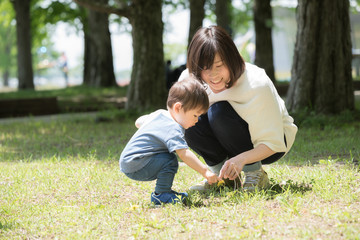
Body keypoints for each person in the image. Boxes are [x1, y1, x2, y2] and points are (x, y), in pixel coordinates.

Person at [178, 26, 298, 192]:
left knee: (218, 112)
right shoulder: (189, 82)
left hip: (273, 143)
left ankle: (255, 174)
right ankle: (223, 179)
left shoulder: (256, 83)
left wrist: (242, 159)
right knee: (188, 119)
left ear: (232, 59)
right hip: (227, 136)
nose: (213, 75)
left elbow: (274, 143)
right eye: (205, 68)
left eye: (219, 65)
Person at [119, 77, 221, 205]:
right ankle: (161, 194)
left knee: (166, 157)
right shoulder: (172, 127)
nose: (197, 120)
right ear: (178, 108)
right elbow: (184, 154)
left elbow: (138, 122)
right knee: (169, 160)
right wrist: (205, 171)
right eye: (195, 115)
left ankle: (164, 193)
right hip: (136, 164)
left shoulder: (160, 114)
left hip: (129, 161)